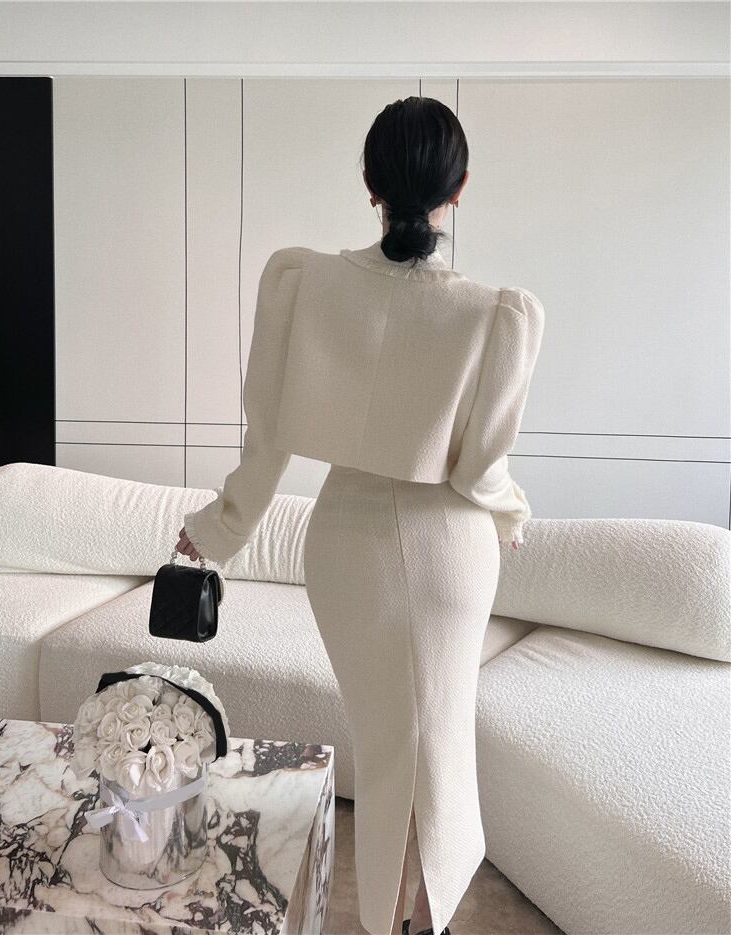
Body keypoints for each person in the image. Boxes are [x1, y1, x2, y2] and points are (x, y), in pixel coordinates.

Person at [175, 96, 545, 935]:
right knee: (436, 745)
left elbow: (268, 438)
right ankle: (416, 917)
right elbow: (482, 470)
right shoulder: (496, 314)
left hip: (343, 545)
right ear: (460, 188)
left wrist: (224, 526)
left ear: (370, 185)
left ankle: (395, 915)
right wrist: (513, 512)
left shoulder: (302, 281)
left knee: (388, 747)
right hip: (449, 547)